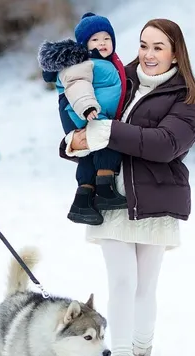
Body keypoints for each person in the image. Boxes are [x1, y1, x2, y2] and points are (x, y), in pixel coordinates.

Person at [60, 18, 195, 356]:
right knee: (122, 283)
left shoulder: (187, 97)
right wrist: (72, 142)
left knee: (144, 287)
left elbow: (165, 144)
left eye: (158, 47)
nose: (149, 54)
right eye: (143, 45)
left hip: (156, 201)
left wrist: (107, 132)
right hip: (111, 199)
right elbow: (78, 115)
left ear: (175, 52)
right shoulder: (116, 78)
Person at [39, 12, 128, 225]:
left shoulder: (102, 62)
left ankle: (82, 201)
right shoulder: (84, 62)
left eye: (107, 38)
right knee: (108, 140)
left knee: (88, 155)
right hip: (85, 112)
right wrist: (86, 106)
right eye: (95, 39)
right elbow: (77, 84)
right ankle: (105, 190)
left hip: (89, 114)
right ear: (84, 44)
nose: (102, 43)